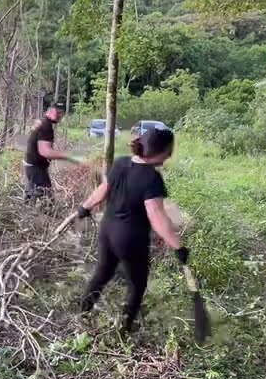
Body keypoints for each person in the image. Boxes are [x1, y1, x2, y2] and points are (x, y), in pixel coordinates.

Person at [72, 126, 188, 333]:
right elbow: (157, 217)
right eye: (170, 150)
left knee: (102, 273)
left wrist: (85, 207)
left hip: (107, 231)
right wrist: (178, 247)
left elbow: (103, 189)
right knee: (137, 283)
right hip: (130, 238)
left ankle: (82, 314)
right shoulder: (152, 178)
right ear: (162, 151)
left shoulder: (121, 163)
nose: (170, 155)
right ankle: (125, 328)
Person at [23, 103, 72, 201]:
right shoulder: (46, 126)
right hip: (36, 168)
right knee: (46, 202)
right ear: (50, 110)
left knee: (32, 198)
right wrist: (69, 155)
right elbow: (46, 152)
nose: (60, 116)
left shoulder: (42, 122)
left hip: (32, 166)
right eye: (58, 112)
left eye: (62, 113)